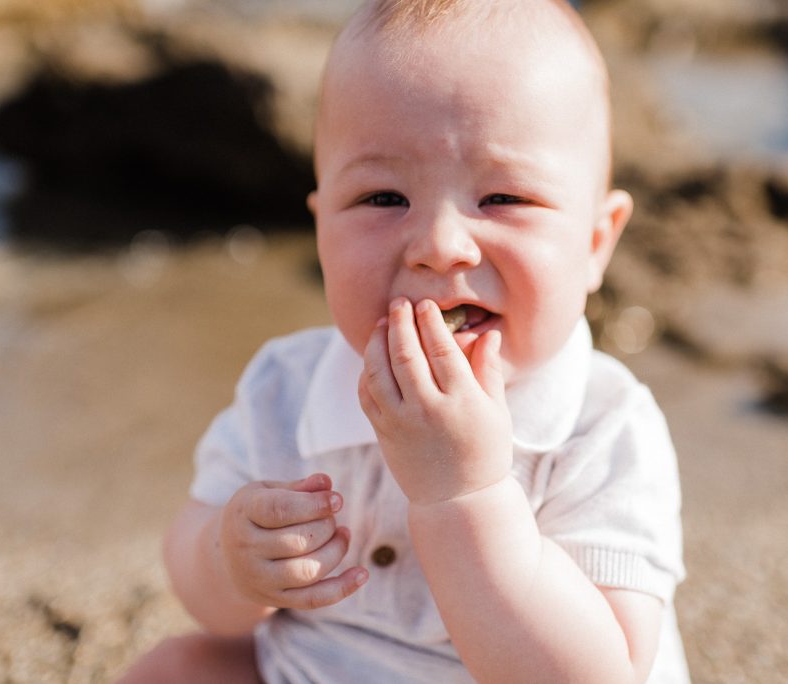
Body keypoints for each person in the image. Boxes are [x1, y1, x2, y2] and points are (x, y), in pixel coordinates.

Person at [118, 0, 687, 681]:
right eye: (384, 198)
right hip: (312, 669)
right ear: (322, 229)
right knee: (178, 667)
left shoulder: (605, 428)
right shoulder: (286, 388)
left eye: (503, 198)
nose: (440, 245)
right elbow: (205, 596)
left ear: (596, 243)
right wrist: (229, 560)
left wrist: (465, 496)